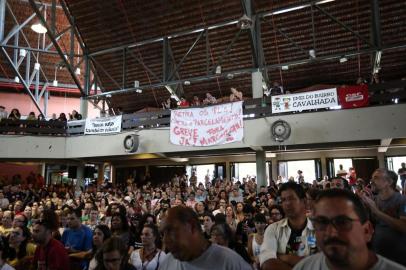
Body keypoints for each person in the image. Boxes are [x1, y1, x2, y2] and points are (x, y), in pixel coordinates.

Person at [294, 189, 406, 270]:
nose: (331, 232)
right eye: (322, 222)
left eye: (342, 222)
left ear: (367, 231)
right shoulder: (304, 267)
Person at [159, 206, 252, 269]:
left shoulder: (230, 262)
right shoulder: (167, 264)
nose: (165, 240)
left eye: (171, 231)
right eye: (163, 234)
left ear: (192, 226)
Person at [260, 182, 316, 270]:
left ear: (304, 201)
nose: (287, 203)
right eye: (283, 200)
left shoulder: (317, 230)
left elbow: (322, 263)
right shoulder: (273, 229)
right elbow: (267, 262)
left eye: (291, 199)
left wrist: (283, 257)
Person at [360, 168, 406, 266]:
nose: (371, 181)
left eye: (376, 178)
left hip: (399, 257)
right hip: (378, 255)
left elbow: (404, 227)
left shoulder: (402, 200)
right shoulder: (375, 200)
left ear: (389, 182)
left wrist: (377, 211)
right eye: (372, 178)